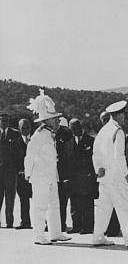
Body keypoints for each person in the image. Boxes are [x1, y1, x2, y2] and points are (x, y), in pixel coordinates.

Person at [91, 100, 128, 248]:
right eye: (123, 114)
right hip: (116, 176)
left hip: (104, 177)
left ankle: (98, 237)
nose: (124, 117)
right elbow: (120, 156)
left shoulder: (104, 130)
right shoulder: (118, 131)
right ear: (119, 115)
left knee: (103, 208)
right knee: (124, 207)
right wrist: (125, 174)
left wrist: (99, 169)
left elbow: (95, 153)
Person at [23, 91, 71, 245]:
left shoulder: (50, 134)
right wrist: (28, 174)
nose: (58, 121)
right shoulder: (38, 135)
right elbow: (29, 155)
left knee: (54, 205)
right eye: (55, 119)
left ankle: (55, 233)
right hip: (40, 176)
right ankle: (38, 235)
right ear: (47, 120)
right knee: (40, 206)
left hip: (50, 175)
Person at [67, 118, 97, 234]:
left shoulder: (91, 141)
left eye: (76, 127)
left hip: (87, 177)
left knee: (87, 203)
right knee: (74, 203)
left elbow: (94, 159)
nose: (75, 130)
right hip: (74, 178)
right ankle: (76, 226)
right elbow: (67, 159)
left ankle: (88, 227)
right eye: (72, 128)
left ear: (80, 127)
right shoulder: (68, 142)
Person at [0, 113, 19, 228]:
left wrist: (16, 167)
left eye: (6, 121)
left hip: (10, 171)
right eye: (2, 120)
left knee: (10, 197)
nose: (4, 122)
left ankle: (9, 221)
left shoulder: (15, 134)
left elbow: (18, 152)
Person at [14, 118, 32, 229]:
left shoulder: (35, 140)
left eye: (27, 127)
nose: (26, 130)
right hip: (22, 177)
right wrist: (20, 170)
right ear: (19, 129)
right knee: (24, 200)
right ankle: (25, 222)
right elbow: (14, 160)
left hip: (35, 176)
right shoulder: (16, 143)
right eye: (23, 128)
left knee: (39, 200)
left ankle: (45, 223)